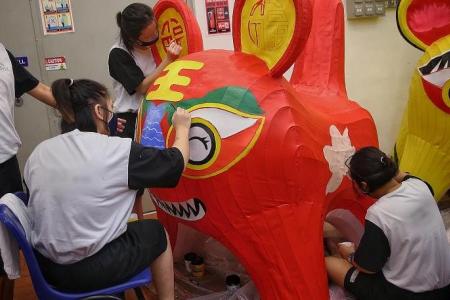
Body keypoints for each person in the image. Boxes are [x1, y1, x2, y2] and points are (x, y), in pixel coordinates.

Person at [24, 78, 191, 299]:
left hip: (47, 268)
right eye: (110, 111)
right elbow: (175, 163)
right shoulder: (115, 151)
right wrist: (182, 127)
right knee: (155, 232)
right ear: (98, 111)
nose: (113, 119)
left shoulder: (40, 152)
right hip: (86, 271)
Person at [325, 147, 450, 299]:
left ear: (364, 186)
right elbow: (403, 175)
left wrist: (350, 254)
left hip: (407, 294)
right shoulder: (421, 186)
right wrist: (382, 164)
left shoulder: (378, 213)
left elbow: (368, 268)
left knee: (331, 263)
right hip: (445, 286)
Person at [0, 42, 56, 299]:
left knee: (7, 248)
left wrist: (81, 108)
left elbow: (40, 89)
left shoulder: (2, 53)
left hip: (5, 162)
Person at [109, 2, 182, 139]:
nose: (155, 37)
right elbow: (142, 87)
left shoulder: (156, 45)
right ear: (133, 38)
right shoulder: (118, 54)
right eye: (149, 37)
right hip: (132, 119)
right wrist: (168, 60)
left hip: (157, 112)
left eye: (156, 31)